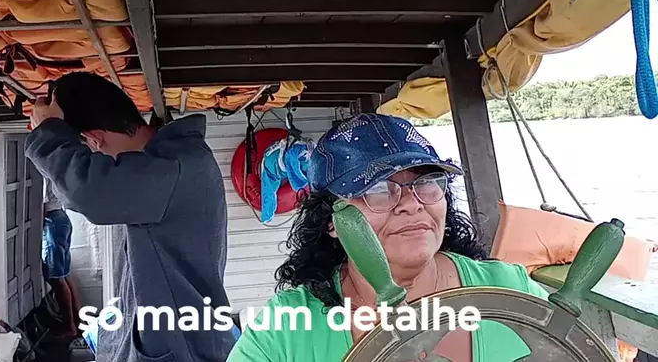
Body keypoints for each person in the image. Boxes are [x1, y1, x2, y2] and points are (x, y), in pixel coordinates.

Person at [227, 113, 550, 362]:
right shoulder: (286, 330)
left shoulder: (510, 289)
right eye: (377, 189)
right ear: (331, 222)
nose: (411, 203)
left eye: (426, 181)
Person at [25, 72, 235, 362]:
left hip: (182, 347)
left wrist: (48, 133)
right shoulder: (170, 162)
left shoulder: (171, 168)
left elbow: (89, 193)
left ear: (93, 140)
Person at [42, 179, 82, 337]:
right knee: (65, 274)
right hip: (62, 218)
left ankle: (69, 326)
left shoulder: (39, 173)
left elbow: (40, 205)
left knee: (56, 278)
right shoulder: (50, 170)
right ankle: (78, 322)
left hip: (51, 220)